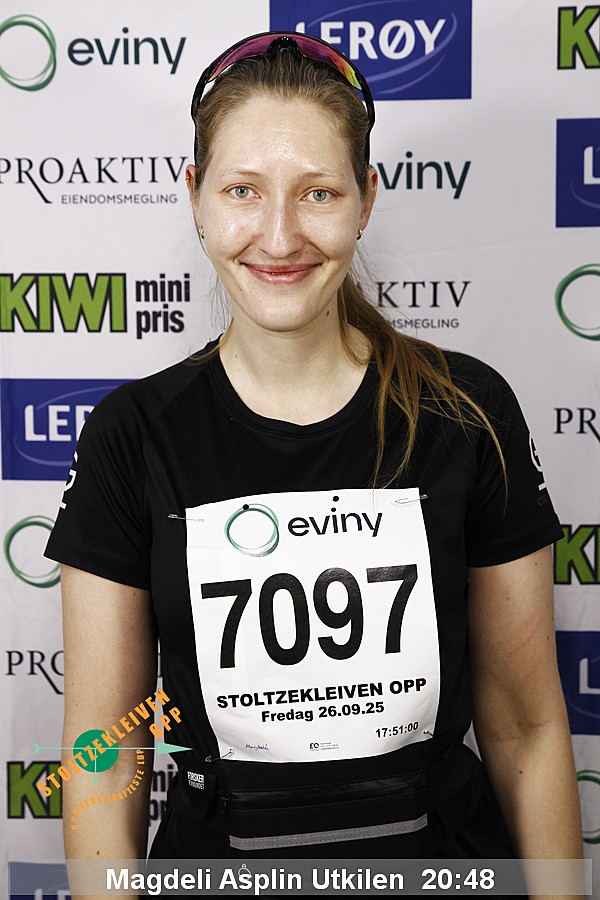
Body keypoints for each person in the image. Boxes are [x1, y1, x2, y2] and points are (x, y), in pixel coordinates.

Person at [46, 31, 582, 869]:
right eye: (242, 191)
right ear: (195, 196)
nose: (279, 236)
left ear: (366, 200)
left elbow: (527, 725)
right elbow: (104, 751)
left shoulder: (467, 412)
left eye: (319, 193)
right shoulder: (133, 434)